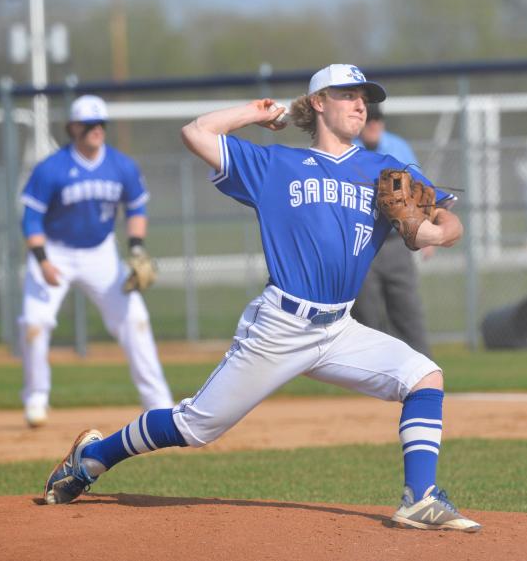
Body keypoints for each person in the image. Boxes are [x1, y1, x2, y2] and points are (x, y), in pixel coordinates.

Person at [42, 65, 481, 532]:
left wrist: (426, 228)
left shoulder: (384, 171)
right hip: (281, 325)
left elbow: (445, 223)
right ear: (318, 102)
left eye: (365, 98)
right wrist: (255, 113)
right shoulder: (276, 166)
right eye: (348, 95)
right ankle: (90, 459)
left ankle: (419, 498)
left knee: (423, 377)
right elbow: (196, 132)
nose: (360, 105)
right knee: (196, 426)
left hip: (339, 328)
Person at [18, 95, 174, 428]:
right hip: (55, 251)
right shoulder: (51, 169)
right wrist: (42, 260)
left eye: (101, 124)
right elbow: (30, 220)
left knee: (135, 320)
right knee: (34, 323)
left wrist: (135, 250)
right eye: (88, 125)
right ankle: (36, 398)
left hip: (100, 252)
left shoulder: (121, 166)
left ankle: (158, 403)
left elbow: (136, 208)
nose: (96, 130)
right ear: (73, 128)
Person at [351, 103, 432, 356]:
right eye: (369, 119)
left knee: (407, 309)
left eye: (378, 119)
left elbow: (422, 190)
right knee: (366, 314)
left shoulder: (397, 147)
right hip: (361, 243)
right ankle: (373, 372)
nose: (373, 124)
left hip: (396, 241)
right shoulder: (348, 149)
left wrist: (426, 233)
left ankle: (422, 369)